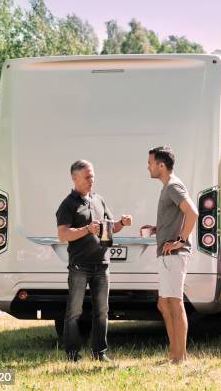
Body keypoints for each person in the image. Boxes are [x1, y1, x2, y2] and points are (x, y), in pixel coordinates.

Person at [56, 160, 132, 362]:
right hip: (80, 266)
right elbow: (63, 234)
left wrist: (122, 223)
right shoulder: (68, 204)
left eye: (93, 176)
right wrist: (86, 229)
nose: (92, 180)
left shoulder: (99, 200)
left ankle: (99, 353)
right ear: (75, 178)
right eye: (87, 177)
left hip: (102, 264)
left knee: (102, 311)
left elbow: (110, 227)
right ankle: (73, 354)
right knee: (74, 312)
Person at [140, 146, 198, 364]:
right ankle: (174, 354)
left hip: (175, 254)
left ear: (161, 165)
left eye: (151, 163)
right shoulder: (167, 187)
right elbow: (177, 217)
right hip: (166, 254)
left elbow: (192, 213)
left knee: (174, 302)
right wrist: (158, 228)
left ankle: (180, 358)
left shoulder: (174, 186)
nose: (148, 167)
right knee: (164, 304)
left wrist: (180, 241)